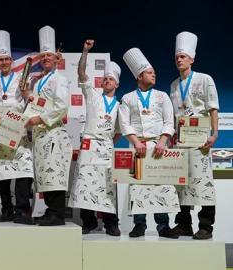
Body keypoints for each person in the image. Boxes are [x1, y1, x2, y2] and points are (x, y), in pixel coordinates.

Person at [119, 48, 180, 238]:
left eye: (154, 72)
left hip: (158, 147)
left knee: (161, 184)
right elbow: (124, 123)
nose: (154, 74)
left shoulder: (162, 96)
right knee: (137, 186)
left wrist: (163, 141)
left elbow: (169, 122)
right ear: (139, 76)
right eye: (149, 72)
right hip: (137, 148)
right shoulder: (127, 98)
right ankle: (139, 224)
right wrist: (136, 142)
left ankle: (163, 225)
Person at [0, 30, 34, 224]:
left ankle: (22, 211)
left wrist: (26, 92)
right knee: (2, 172)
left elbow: (29, 96)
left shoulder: (22, 77)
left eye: (6, 60)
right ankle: (7, 210)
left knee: (22, 170)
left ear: (11, 61)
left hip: (17, 127)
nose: (3, 63)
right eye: (0, 60)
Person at [68, 39, 121, 236]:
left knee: (108, 185)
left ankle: (111, 223)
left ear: (117, 83)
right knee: (84, 184)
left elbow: (120, 131)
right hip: (89, 144)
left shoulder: (119, 106)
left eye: (111, 79)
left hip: (106, 147)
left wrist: (106, 142)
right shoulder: (93, 95)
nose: (107, 81)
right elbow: (81, 73)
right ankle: (88, 222)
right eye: (105, 79)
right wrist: (85, 51)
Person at [170, 31, 219, 240]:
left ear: (192, 59)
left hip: (200, 139)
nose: (179, 60)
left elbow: (213, 108)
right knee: (182, 183)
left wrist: (215, 133)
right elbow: (175, 114)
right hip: (181, 140)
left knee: (203, 182)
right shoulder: (173, 85)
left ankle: (206, 226)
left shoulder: (205, 79)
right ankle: (184, 224)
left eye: (183, 57)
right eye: (177, 57)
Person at [21, 26, 72, 226]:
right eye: (43, 56)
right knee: (45, 173)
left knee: (54, 173)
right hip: (42, 135)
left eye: (49, 55)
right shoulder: (39, 82)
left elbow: (61, 107)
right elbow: (35, 104)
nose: (45, 58)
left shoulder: (60, 79)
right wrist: (27, 94)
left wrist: (39, 119)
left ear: (56, 59)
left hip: (53, 132)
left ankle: (58, 214)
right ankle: (51, 210)